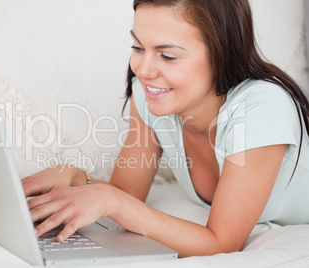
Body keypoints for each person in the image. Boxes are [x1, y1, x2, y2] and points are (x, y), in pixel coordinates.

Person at [21, 0, 309, 257]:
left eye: (167, 56)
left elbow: (221, 243)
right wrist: (75, 179)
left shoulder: (262, 107)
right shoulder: (151, 96)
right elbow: (126, 193)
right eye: (137, 47)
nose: (143, 70)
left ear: (222, 53)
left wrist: (113, 201)